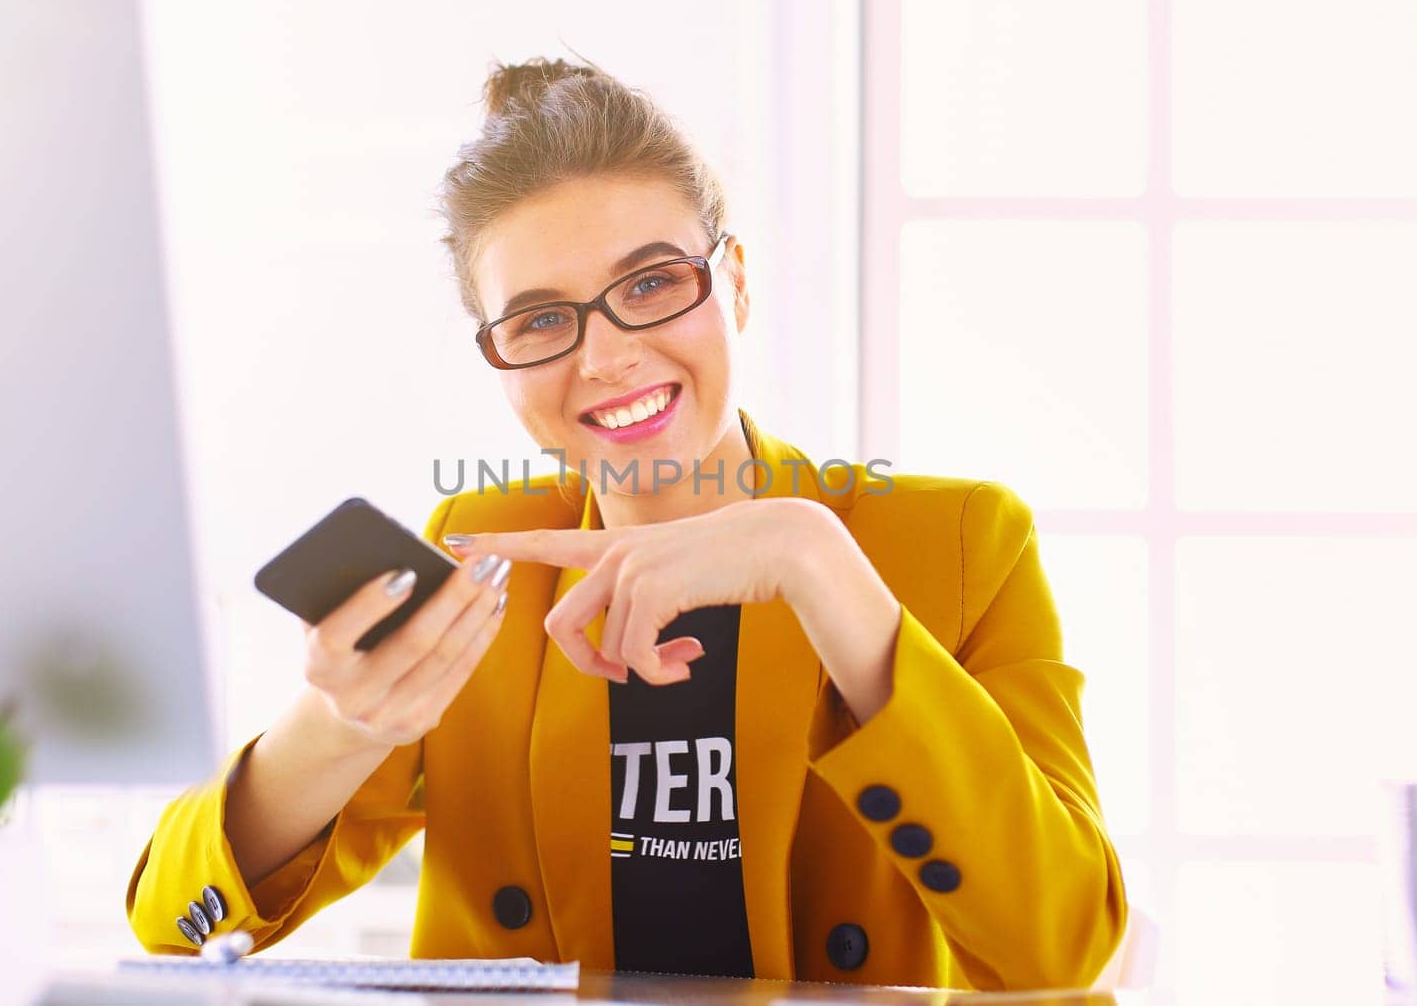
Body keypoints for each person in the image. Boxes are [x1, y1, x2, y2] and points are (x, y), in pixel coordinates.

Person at [124, 56, 1128, 990]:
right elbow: (171, 928)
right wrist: (339, 724)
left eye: (650, 283)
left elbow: (1065, 946)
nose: (603, 356)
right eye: (541, 319)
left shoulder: (954, 543)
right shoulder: (483, 555)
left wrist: (814, 562)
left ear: (732, 279)